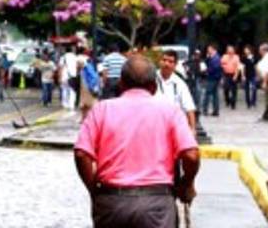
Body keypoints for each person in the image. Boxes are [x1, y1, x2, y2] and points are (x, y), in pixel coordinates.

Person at [74, 55, 200, 228]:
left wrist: (94, 190)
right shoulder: (170, 111)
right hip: (157, 204)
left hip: (111, 202)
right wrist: (186, 184)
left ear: (121, 84)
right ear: (154, 87)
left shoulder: (101, 110)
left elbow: (81, 154)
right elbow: (191, 155)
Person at [154, 50, 197, 130]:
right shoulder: (151, 79)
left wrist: (193, 129)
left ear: (175, 65)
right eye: (164, 60)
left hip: (173, 126)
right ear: (160, 62)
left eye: (170, 62)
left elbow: (189, 108)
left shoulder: (180, 83)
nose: (166, 64)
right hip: (155, 125)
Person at [79, 50, 101, 119]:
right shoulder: (83, 68)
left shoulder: (87, 67)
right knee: (84, 105)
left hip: (88, 88)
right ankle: (83, 118)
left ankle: (90, 118)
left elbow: (94, 77)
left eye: (78, 62)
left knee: (90, 104)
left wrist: (91, 85)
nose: (77, 64)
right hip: (85, 88)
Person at [220, 45, 242, 110]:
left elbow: (238, 67)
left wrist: (236, 75)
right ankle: (227, 100)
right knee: (226, 88)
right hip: (226, 74)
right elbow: (221, 65)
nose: (230, 51)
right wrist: (224, 67)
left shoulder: (236, 57)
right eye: (229, 50)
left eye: (231, 50)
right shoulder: (224, 57)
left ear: (233, 51)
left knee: (234, 90)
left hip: (233, 74)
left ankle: (233, 104)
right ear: (227, 51)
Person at [202, 45, 222, 117]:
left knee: (208, 93)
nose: (208, 51)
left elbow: (215, 67)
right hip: (215, 77)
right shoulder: (212, 57)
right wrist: (208, 58)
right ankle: (215, 110)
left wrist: (206, 71)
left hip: (212, 77)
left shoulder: (216, 58)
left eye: (209, 49)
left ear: (213, 49)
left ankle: (205, 109)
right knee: (215, 94)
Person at [241, 45, 259, 109]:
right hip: (246, 75)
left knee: (254, 89)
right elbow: (243, 67)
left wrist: (257, 75)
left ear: (249, 50)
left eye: (246, 49)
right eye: (245, 50)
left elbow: (256, 67)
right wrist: (243, 75)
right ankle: (248, 103)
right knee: (247, 90)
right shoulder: (244, 58)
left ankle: (253, 102)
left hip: (253, 75)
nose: (245, 51)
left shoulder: (254, 57)